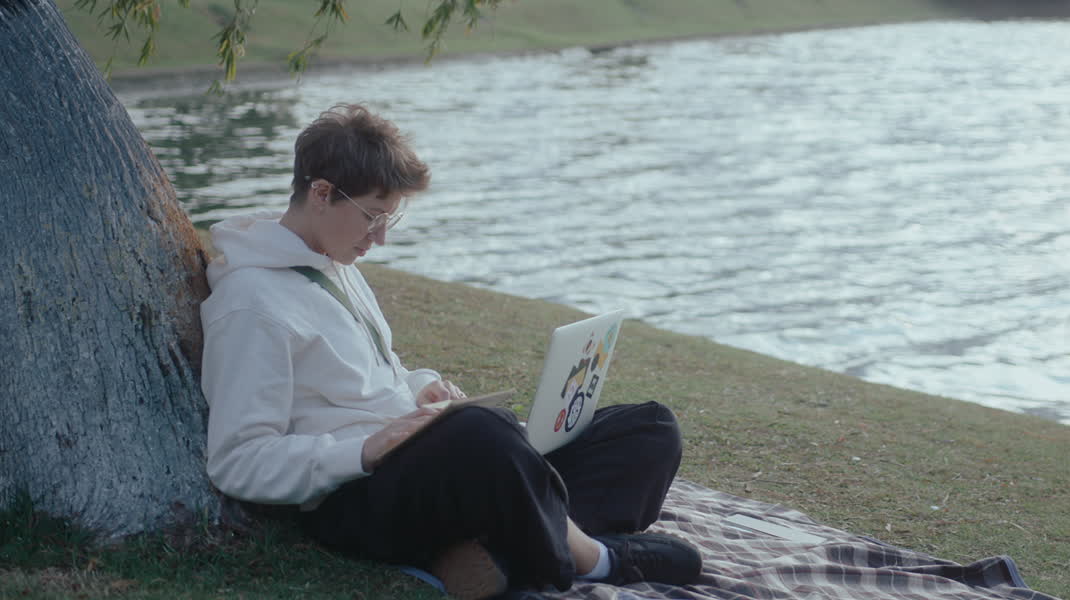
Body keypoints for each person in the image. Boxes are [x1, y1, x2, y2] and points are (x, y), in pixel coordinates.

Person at [200, 104, 702, 598]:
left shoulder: (334, 263)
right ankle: (596, 559)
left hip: (424, 466)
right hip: (356, 497)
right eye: (372, 217)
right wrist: (364, 450)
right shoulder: (251, 303)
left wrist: (422, 389)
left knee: (649, 428)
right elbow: (238, 459)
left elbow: (378, 372)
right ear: (322, 193)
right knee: (486, 433)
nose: (380, 239)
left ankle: (499, 555)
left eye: (389, 220)